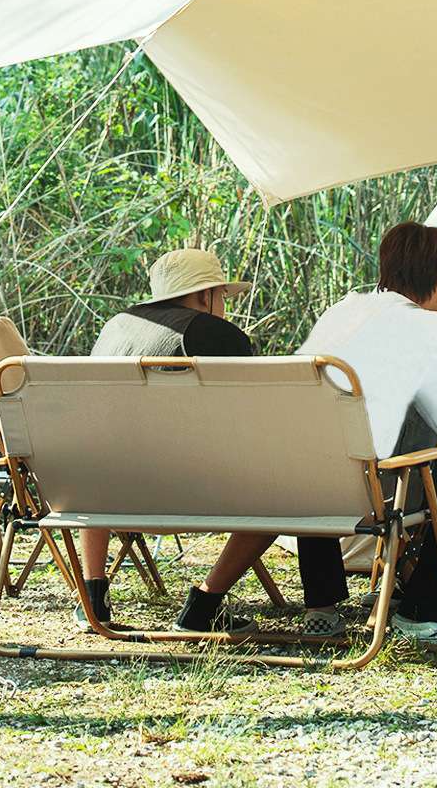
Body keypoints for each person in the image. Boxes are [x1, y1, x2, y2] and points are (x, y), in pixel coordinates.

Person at [76, 248, 349, 637]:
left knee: (102, 459)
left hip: (103, 495)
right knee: (298, 479)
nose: (224, 306)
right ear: (206, 295)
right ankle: (207, 604)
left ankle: (93, 598)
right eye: (223, 296)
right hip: (197, 493)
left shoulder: (116, 327)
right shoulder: (213, 334)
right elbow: (257, 419)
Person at [298, 221, 437, 642]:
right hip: (378, 489)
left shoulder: (342, 312)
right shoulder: (429, 329)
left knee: (320, 445)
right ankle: (422, 608)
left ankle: (321, 606)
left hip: (308, 483)